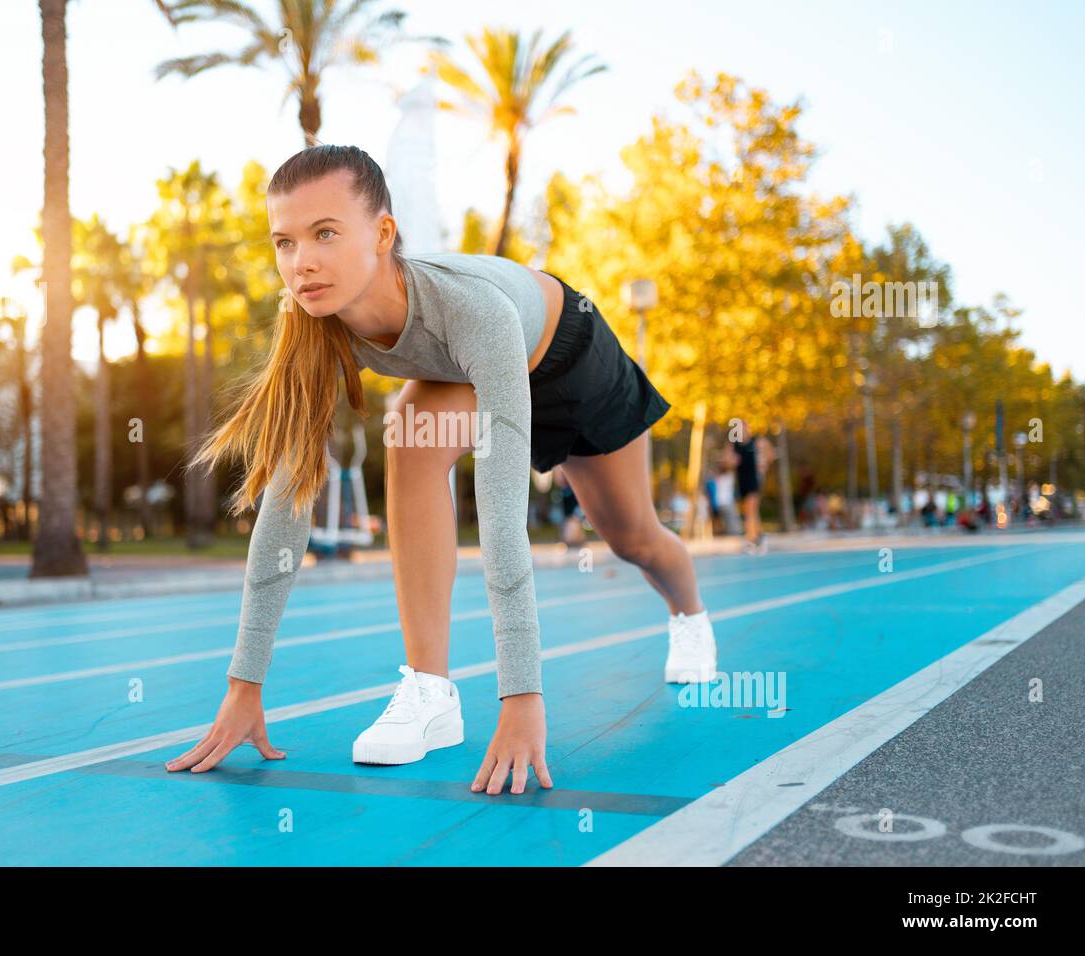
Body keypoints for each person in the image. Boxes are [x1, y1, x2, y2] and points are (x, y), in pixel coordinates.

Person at [166, 144, 717, 797]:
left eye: (325, 234)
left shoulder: (468, 308)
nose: (302, 261)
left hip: (573, 364)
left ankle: (689, 617)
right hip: (464, 374)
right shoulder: (314, 323)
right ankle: (431, 693)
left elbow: (504, 515)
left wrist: (521, 698)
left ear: (383, 234)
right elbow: (287, 505)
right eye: (284, 242)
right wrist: (244, 685)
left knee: (634, 539)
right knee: (411, 437)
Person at [731, 421, 770, 554]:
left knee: (750, 509)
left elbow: (769, 453)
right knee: (750, 511)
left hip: (754, 481)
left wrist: (764, 465)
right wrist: (731, 461)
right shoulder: (735, 444)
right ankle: (761, 537)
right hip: (741, 481)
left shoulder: (756, 441)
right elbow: (728, 461)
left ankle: (750, 540)